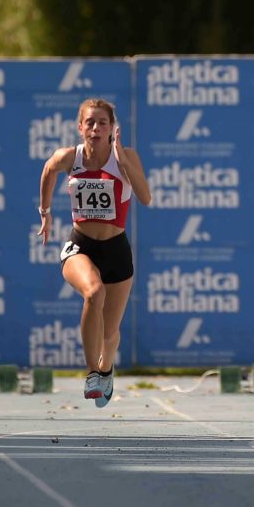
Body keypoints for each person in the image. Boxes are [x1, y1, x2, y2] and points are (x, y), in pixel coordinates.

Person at [37, 98, 151, 407]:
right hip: (81, 246)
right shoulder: (69, 157)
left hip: (116, 251)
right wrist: (45, 212)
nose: (96, 128)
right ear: (80, 127)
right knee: (93, 292)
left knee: (110, 334)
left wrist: (123, 162)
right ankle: (91, 373)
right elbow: (48, 169)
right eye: (90, 122)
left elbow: (145, 197)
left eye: (102, 123)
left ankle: (105, 368)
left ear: (112, 128)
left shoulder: (125, 156)